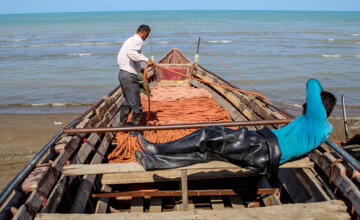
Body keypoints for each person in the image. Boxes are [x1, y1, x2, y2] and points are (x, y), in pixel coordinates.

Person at [135, 79, 337, 176]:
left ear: (318, 105)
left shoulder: (316, 118)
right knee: (205, 153)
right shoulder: (323, 129)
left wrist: (318, 96)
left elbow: (312, 83)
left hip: (262, 147)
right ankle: (154, 162)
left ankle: (156, 149)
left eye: (308, 103)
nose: (303, 104)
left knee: (208, 134)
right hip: (263, 154)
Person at [117, 24, 153, 127]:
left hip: (122, 74)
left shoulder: (130, 40)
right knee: (137, 105)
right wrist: (146, 59)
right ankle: (135, 131)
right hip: (129, 76)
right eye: (147, 36)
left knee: (128, 102)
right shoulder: (138, 40)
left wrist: (141, 70)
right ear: (144, 34)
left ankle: (122, 126)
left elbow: (131, 58)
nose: (145, 39)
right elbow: (131, 53)